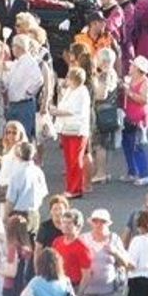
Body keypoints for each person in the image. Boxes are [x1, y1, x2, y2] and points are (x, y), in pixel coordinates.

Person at [79, 208, 125, 296]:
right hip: (87, 286)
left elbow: (125, 263)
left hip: (106, 288)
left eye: (102, 221)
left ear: (108, 223)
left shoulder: (114, 239)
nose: (99, 224)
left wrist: (115, 252)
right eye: (96, 221)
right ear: (92, 223)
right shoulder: (83, 238)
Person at [51, 66, 91, 198]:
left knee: (75, 160)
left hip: (77, 130)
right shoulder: (70, 90)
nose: (66, 79)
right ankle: (70, 187)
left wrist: (56, 112)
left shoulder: (82, 92)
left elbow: (73, 111)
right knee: (69, 160)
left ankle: (76, 189)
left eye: (69, 77)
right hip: (66, 129)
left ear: (74, 79)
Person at [121, 57, 148, 186]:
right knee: (127, 146)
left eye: (132, 66)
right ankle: (132, 171)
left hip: (140, 119)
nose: (130, 67)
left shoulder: (146, 83)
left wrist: (129, 93)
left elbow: (144, 100)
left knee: (138, 147)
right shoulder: (130, 80)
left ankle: (145, 174)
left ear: (138, 69)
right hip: (128, 117)